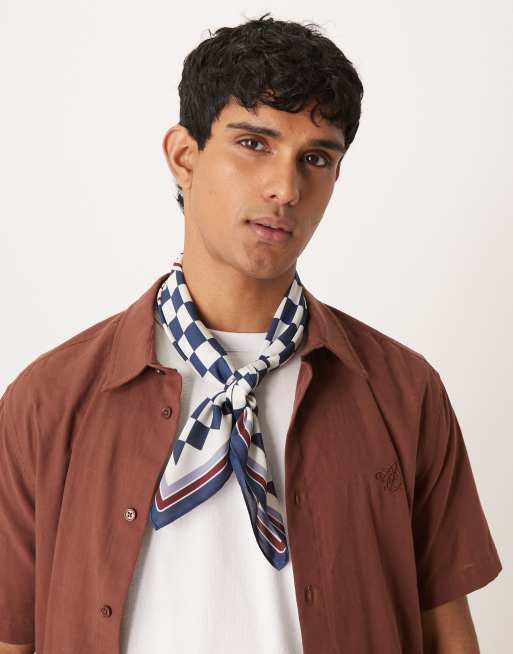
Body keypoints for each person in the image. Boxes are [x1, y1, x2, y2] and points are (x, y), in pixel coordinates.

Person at [0, 12, 502, 654]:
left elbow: (448, 636)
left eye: (314, 158)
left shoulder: (403, 392)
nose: (284, 188)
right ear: (184, 157)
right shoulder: (50, 399)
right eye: (254, 144)